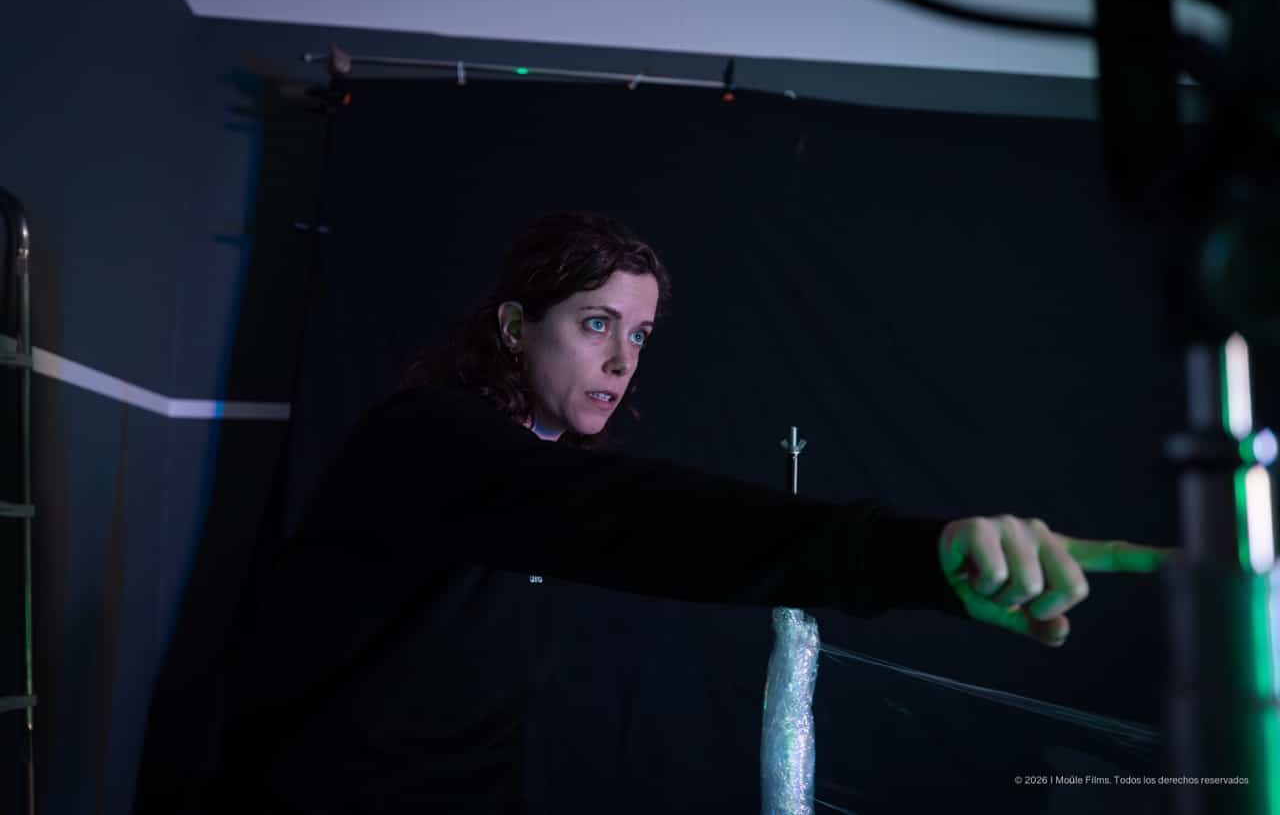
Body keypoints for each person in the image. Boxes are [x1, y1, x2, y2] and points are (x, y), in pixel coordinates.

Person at [210, 211, 1174, 813]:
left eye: (640, 334)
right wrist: (912, 556)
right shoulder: (429, 437)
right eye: (596, 324)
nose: (622, 361)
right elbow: (632, 519)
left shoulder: (541, 470)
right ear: (513, 326)